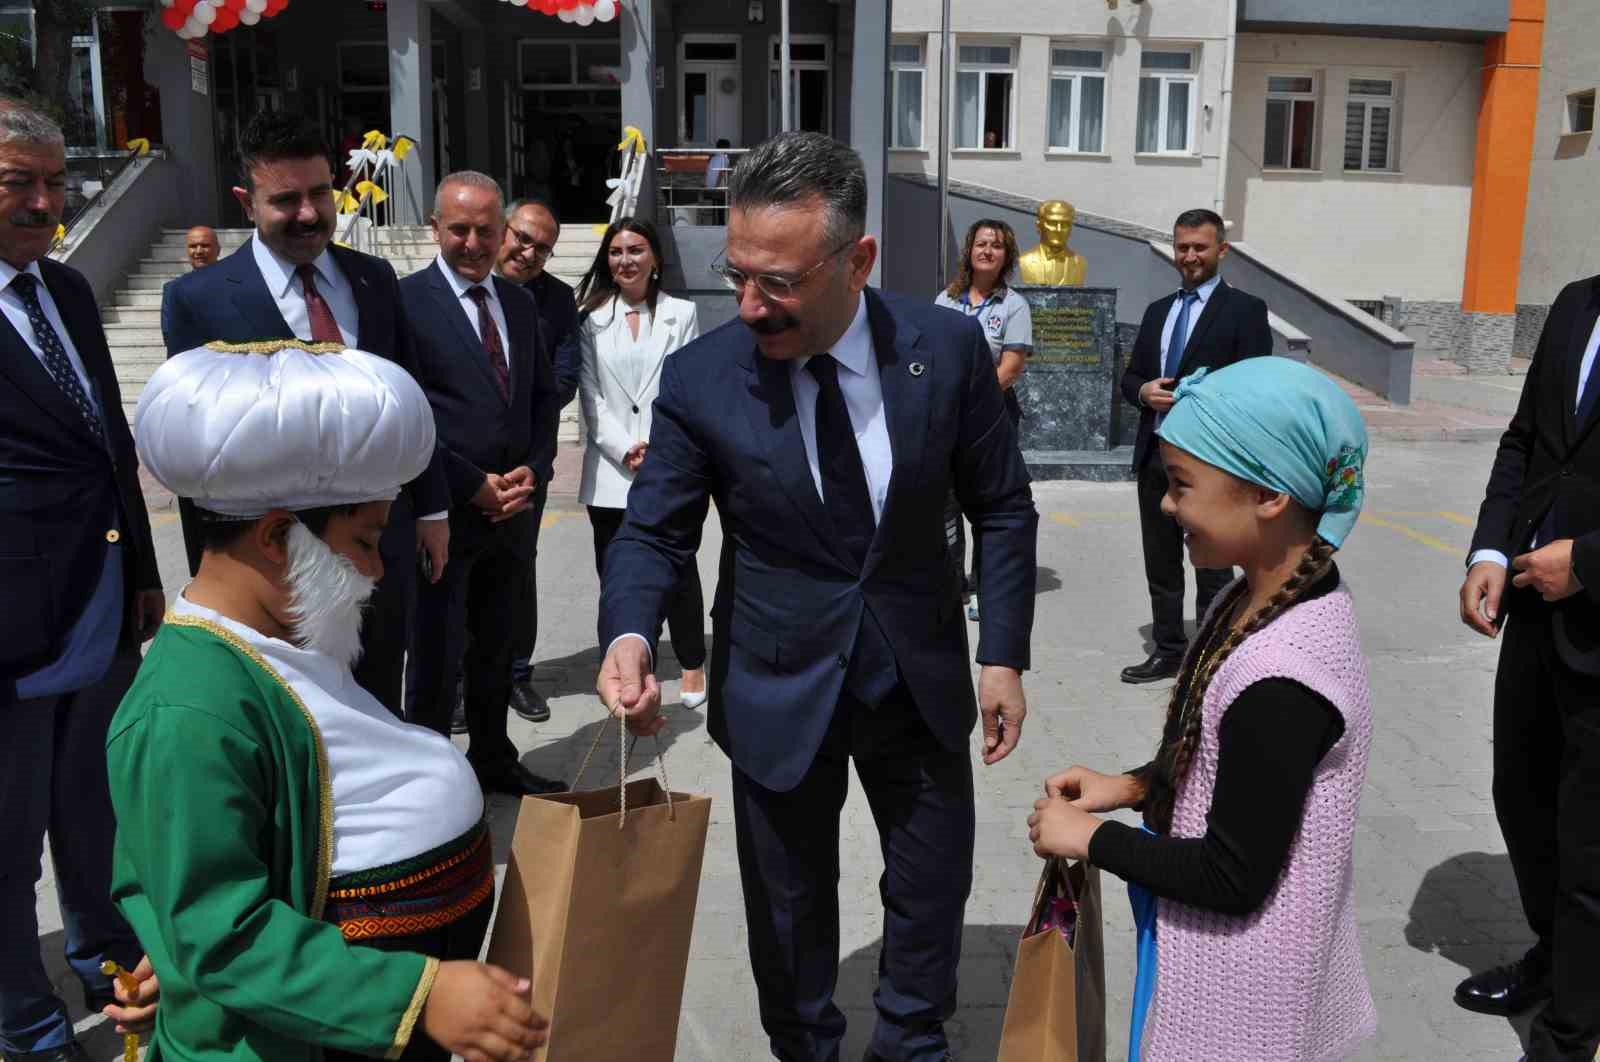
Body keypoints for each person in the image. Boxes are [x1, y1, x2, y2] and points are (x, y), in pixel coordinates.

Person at [597, 132, 1038, 1062]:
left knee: (931, 888)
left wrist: (1002, 653)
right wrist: (630, 632)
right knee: (788, 905)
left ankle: (912, 1041)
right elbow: (655, 529)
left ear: (858, 260)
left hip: (915, 681)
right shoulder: (703, 376)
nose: (750, 304)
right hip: (775, 681)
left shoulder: (948, 350)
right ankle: (805, 1046)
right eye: (738, 273)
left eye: (780, 283)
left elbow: (1003, 508)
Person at [112, 338, 549, 1062]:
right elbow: (220, 929)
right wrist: (418, 995)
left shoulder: (285, 632)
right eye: (367, 538)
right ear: (281, 536)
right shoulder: (185, 708)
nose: (378, 568)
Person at [1028, 357, 1376, 1061]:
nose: (1166, 504)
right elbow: (1229, 764)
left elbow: (1232, 877)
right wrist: (1133, 785)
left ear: (1269, 496)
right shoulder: (1256, 598)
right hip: (1231, 966)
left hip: (1246, 999)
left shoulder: (1284, 678)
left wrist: (1090, 840)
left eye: (1182, 484)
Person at [159, 110, 451, 718]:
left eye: (321, 192)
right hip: (268, 567)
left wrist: (432, 507)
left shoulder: (373, 279)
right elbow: (199, 446)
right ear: (247, 201)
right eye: (285, 199)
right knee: (287, 721)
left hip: (380, 547)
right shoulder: (198, 299)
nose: (310, 214)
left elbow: (409, 398)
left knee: (376, 704)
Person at [0, 98, 165, 1062]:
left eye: (56, 183)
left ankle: (105, 947)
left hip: (99, 604)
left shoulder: (60, 292)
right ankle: (24, 1017)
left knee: (92, 806)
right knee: (9, 840)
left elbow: (109, 446)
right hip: (12, 627)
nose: (44, 203)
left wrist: (141, 569)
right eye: (19, 182)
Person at [1454, 270, 1600, 1059]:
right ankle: (1558, 955)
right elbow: (1528, 441)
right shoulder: (1579, 302)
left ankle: (1571, 1034)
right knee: (1523, 796)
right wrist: (1488, 546)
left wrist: (1589, 562)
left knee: (1590, 843)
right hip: (1536, 609)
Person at [401, 170, 565, 797]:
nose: (473, 243)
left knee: (497, 646)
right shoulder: (406, 303)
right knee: (437, 654)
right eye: (459, 230)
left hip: (513, 514)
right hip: (442, 513)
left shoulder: (520, 304)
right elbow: (405, 413)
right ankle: (428, 780)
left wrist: (535, 468)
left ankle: (493, 760)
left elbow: (543, 399)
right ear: (435, 228)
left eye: (485, 231)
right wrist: (468, 483)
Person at [1118, 207, 1272, 684]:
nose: (1190, 256)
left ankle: (1212, 655)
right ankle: (1168, 648)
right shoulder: (1157, 311)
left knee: (1213, 561)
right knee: (1160, 561)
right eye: (1182, 247)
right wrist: (1143, 392)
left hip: (1212, 463)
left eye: (1199, 247)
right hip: (1157, 456)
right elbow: (1130, 378)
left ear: (1221, 250)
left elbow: (1255, 385)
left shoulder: (1244, 311)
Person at [575, 217, 706, 709]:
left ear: (655, 259)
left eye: (635, 250)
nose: (625, 260)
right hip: (610, 469)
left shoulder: (682, 314)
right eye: (616, 252)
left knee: (680, 567)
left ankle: (692, 660)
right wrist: (623, 446)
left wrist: (656, 445)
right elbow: (589, 395)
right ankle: (627, 659)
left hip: (667, 461)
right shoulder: (591, 319)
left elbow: (686, 383)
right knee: (616, 571)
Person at [495, 197, 581, 724]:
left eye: (542, 248)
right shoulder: (469, 290)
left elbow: (565, 377)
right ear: (503, 231)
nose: (529, 253)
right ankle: (462, 681)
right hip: (466, 465)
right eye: (523, 238)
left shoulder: (558, 300)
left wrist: (513, 419)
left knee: (518, 568)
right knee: (458, 572)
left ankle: (517, 674)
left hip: (528, 461)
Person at [934, 218, 1032, 621]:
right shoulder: (946, 299)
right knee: (945, 504)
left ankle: (985, 587)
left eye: (996, 245)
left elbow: (1010, 368)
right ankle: (951, 584)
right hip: (946, 416)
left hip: (992, 417)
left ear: (1006, 255)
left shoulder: (1014, 305)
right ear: (969, 252)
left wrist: (970, 399)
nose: (987, 251)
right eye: (981, 244)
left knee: (987, 504)